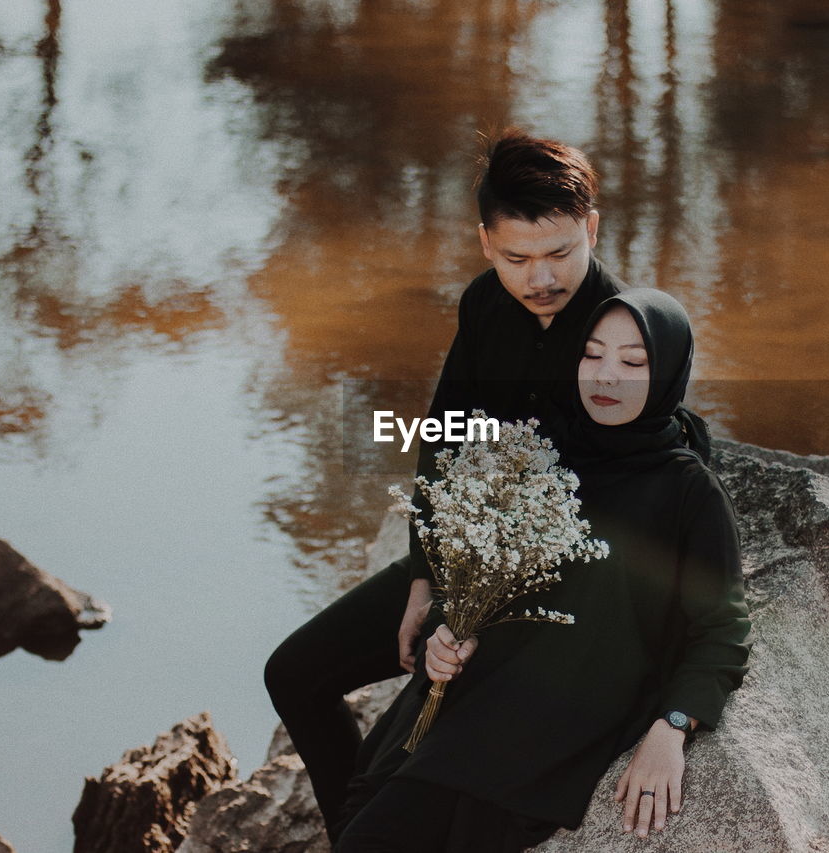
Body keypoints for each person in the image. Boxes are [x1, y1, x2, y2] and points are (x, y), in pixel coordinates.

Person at [264, 129, 628, 843]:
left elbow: (624, 509)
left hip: (542, 601)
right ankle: (350, 832)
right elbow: (445, 437)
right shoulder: (487, 305)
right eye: (518, 258)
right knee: (293, 673)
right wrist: (425, 578)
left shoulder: (620, 336)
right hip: (465, 560)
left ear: (591, 228)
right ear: (487, 242)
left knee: (402, 765)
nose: (541, 279)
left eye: (560, 253)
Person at [333, 289, 753, 851]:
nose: (606, 377)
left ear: (670, 373)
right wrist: (445, 634)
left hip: (560, 721)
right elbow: (481, 577)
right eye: (591, 354)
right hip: (474, 691)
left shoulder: (688, 491)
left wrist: (673, 726)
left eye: (633, 362)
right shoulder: (540, 449)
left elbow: (721, 630)